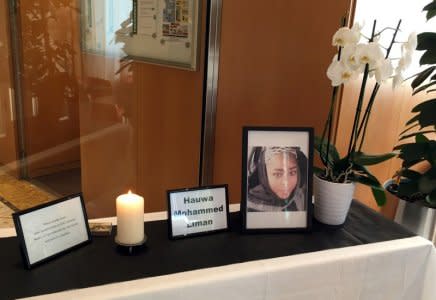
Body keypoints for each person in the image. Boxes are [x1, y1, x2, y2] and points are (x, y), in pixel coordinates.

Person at [247, 146, 307, 212]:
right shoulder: (250, 207)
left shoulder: (301, 196)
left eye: (292, 172)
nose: (286, 183)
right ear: (264, 175)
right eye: (278, 174)